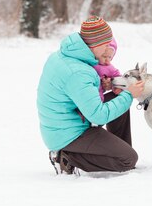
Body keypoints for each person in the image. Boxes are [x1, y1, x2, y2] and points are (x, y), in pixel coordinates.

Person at [37, 16, 144, 174]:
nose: (109, 49)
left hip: (66, 122)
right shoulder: (78, 72)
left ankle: (117, 149)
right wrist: (129, 94)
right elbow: (98, 116)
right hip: (68, 135)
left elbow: (76, 91)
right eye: (107, 44)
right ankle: (65, 156)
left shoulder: (66, 55)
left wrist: (104, 85)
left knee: (117, 98)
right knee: (127, 159)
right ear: (98, 44)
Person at [92, 38, 132, 146]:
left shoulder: (109, 68)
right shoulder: (90, 65)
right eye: (104, 56)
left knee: (121, 99)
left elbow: (118, 78)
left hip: (100, 101)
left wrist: (114, 85)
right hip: (89, 103)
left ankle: (122, 146)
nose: (107, 60)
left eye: (110, 57)